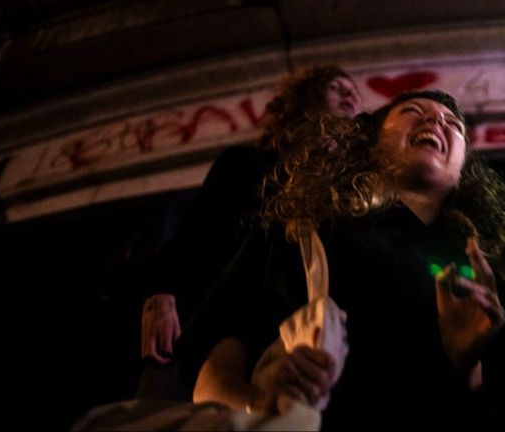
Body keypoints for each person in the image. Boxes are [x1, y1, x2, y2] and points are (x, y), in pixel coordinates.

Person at [184, 90, 505, 429]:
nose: (436, 120)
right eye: (413, 111)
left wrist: (466, 363)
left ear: (463, 170)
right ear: (370, 145)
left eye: (454, 124)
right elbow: (212, 376)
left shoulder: (488, 282)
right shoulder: (299, 232)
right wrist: (264, 407)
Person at [137, 65, 362, 399]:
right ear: (306, 98)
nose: (350, 95)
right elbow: (195, 234)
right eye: (337, 87)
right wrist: (162, 295)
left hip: (294, 328)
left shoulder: (354, 183)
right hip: (213, 323)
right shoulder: (247, 163)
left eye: (354, 92)